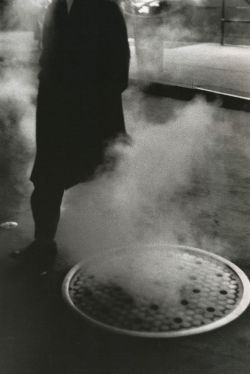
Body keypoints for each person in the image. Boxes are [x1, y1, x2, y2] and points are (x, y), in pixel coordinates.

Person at [11, 0, 130, 264]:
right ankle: (43, 243)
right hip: (54, 112)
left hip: (90, 114)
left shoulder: (105, 6)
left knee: (97, 178)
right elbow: (49, 52)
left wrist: (94, 106)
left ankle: (107, 249)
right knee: (46, 180)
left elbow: (119, 68)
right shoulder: (56, 5)